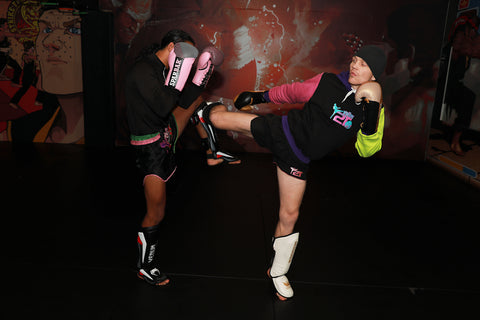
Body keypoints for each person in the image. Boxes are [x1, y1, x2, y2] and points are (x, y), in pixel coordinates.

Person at [195, 45, 387, 300]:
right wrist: (259, 97)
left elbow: (366, 150)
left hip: (298, 157)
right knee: (218, 120)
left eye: (363, 64)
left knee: (289, 214)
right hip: (281, 130)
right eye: (354, 60)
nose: (354, 66)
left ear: (374, 75)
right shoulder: (328, 82)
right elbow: (292, 92)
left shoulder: (371, 108)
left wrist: (373, 107)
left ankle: (278, 271)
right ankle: (205, 110)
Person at [125, 29, 239, 286]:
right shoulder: (142, 71)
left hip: (166, 133)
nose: (190, 60)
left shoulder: (166, 68)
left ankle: (212, 151)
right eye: (187, 55)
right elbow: (164, 105)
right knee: (156, 212)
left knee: (196, 98)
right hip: (148, 149)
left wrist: (199, 78)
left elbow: (182, 100)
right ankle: (145, 266)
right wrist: (179, 74)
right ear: (172, 49)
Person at [444, 15, 479, 156]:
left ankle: (455, 140)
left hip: (461, 81)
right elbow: (465, 50)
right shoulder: (462, 37)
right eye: (474, 28)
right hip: (457, 82)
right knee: (465, 109)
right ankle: (455, 142)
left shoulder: (468, 37)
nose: (475, 31)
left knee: (467, 108)